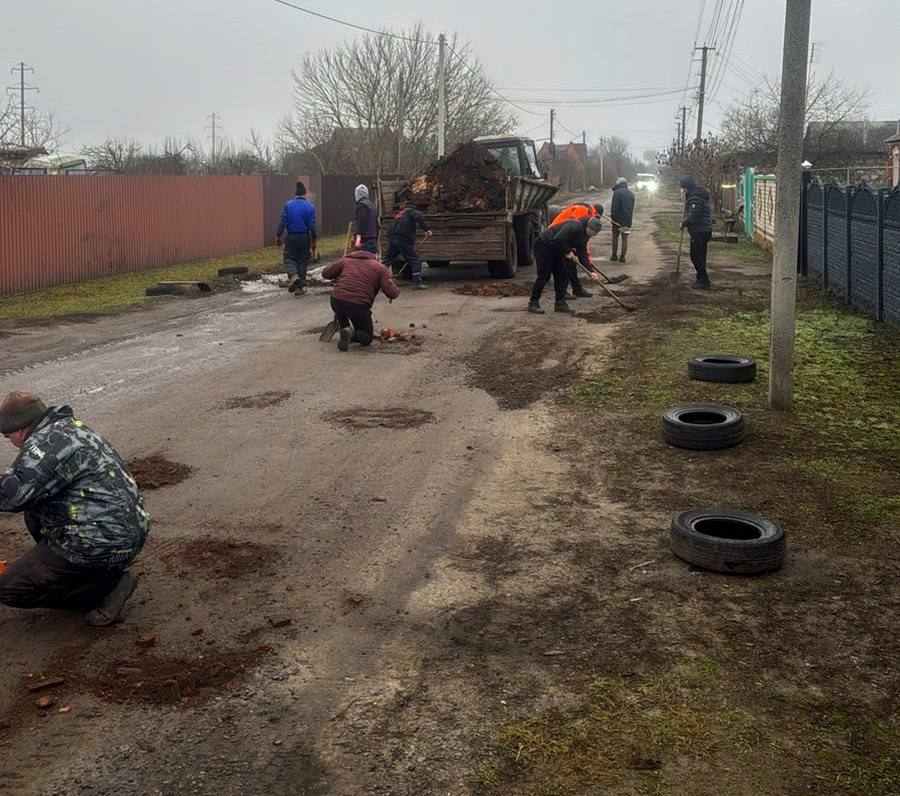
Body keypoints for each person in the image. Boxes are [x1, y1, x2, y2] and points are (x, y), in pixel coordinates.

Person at [0, 392, 150, 626]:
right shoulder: (69, 428)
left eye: (8, 436)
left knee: (9, 589)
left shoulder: (44, 444)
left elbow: (12, 496)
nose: (11, 442)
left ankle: (105, 590)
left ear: (20, 429)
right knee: (35, 507)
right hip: (126, 527)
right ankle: (82, 570)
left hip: (100, 538)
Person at [322, 245, 400, 352]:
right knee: (367, 337)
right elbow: (392, 292)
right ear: (375, 255)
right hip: (358, 305)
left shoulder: (346, 260)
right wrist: (395, 289)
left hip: (336, 300)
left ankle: (345, 330)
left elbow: (326, 273)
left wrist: (339, 271)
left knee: (342, 313)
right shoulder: (380, 268)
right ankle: (351, 333)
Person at [528, 216, 603, 315]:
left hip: (558, 249)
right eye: (593, 233)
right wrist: (568, 251)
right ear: (588, 227)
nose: (592, 235)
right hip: (544, 245)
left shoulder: (585, 235)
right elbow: (558, 239)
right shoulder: (574, 226)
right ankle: (533, 303)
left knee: (562, 274)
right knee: (544, 275)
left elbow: (582, 253)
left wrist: (591, 272)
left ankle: (560, 303)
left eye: (595, 234)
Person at [550, 203, 604, 298]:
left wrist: (589, 268)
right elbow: (572, 230)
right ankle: (563, 292)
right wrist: (569, 250)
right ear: (596, 214)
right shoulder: (582, 212)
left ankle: (577, 290)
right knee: (564, 265)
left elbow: (582, 247)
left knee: (572, 263)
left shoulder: (589, 218)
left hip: (566, 238)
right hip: (556, 235)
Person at [276, 181, 318, 295]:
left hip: (291, 237)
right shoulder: (310, 206)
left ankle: (294, 276)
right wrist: (314, 239)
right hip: (304, 237)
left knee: (289, 258)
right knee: (302, 260)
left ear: (295, 194)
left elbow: (283, 222)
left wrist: (278, 235)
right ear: (304, 194)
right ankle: (300, 287)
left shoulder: (288, 205)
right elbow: (312, 226)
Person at [386, 203, 432, 289]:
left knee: (388, 259)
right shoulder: (412, 212)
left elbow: (390, 228)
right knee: (415, 260)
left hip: (393, 239)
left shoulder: (400, 214)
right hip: (404, 239)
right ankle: (417, 283)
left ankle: (378, 280)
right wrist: (427, 230)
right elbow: (419, 217)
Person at [679, 176, 713, 289]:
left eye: (683, 188)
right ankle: (701, 279)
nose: (682, 191)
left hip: (700, 231)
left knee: (696, 256)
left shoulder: (695, 198)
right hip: (703, 230)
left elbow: (694, 215)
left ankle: (703, 280)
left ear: (687, 187)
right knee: (700, 256)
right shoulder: (697, 195)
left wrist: (684, 222)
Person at [610, 177, 635, 264]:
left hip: (617, 220)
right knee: (625, 239)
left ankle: (614, 256)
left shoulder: (617, 193)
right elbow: (631, 209)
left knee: (615, 237)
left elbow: (614, 208)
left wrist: (613, 218)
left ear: (618, 184)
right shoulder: (631, 194)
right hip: (627, 221)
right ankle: (623, 257)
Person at [353, 184, 379, 254]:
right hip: (373, 240)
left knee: (362, 263)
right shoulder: (372, 205)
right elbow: (377, 224)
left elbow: (361, 222)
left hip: (364, 241)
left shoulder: (361, 206)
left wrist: (358, 239)